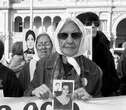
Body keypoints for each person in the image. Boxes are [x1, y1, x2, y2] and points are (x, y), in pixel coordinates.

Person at [24, 17, 102, 100]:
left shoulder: (93, 70)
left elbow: (101, 102)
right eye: (63, 35)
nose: (69, 41)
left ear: (82, 38)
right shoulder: (43, 65)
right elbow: (26, 95)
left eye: (75, 35)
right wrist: (34, 92)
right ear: (57, 38)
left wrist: (91, 99)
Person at [77, 12, 120, 96]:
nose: (93, 26)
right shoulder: (72, 48)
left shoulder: (104, 49)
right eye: (88, 23)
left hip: (101, 96)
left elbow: (112, 75)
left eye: (96, 23)